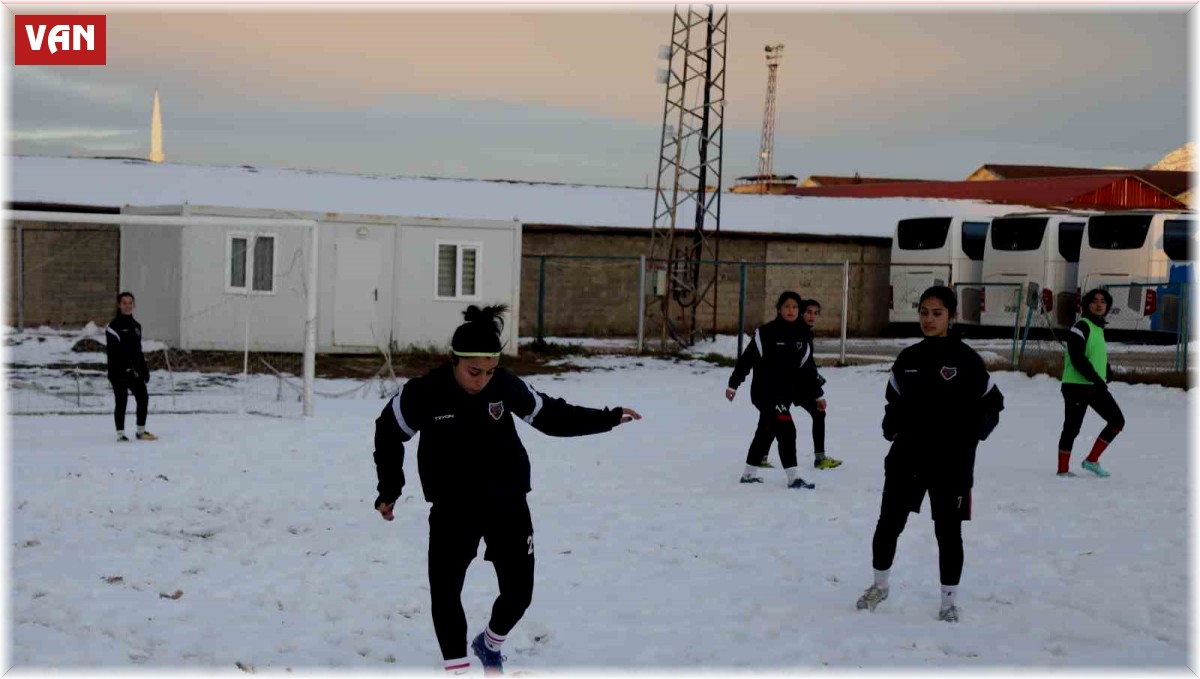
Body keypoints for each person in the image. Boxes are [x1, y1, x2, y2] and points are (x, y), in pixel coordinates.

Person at [371, 304, 642, 675]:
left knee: (519, 594)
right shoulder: (424, 393)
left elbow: (550, 415)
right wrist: (390, 488)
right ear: (454, 360)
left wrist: (607, 418)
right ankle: (458, 669)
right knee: (446, 592)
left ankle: (489, 643)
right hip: (453, 508)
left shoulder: (504, 385)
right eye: (473, 372)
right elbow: (388, 432)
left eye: (490, 371)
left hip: (507, 502)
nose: (482, 379)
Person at [855, 286, 1004, 623]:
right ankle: (880, 585)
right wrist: (890, 426)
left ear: (951, 316)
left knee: (948, 533)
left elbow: (993, 403)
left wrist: (974, 433)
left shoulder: (967, 360)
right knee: (888, 524)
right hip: (906, 459)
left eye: (937, 313)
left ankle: (948, 601)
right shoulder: (908, 358)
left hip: (952, 465)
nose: (928, 319)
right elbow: (893, 401)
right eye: (923, 312)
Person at [725, 290, 819, 489]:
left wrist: (818, 393)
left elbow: (808, 368)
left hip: (784, 394)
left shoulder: (803, 335)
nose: (791, 310)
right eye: (787, 306)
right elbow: (747, 359)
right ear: (779, 309)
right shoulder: (766, 333)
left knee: (766, 431)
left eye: (795, 307)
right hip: (764, 392)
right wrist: (734, 383)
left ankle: (748, 474)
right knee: (787, 429)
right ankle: (794, 477)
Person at [1057, 288, 1123, 478]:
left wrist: (1106, 369)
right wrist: (1096, 379)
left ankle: (1091, 461)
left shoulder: (1097, 327)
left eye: (1103, 301)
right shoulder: (1081, 326)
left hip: (1092, 384)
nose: (1099, 304)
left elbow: (1093, 354)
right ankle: (1063, 470)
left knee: (1116, 422)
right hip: (1077, 386)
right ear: (1086, 305)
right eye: (1094, 300)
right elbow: (1077, 358)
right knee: (1072, 427)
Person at [796, 299, 841, 470]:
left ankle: (760, 457)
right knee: (774, 418)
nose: (812, 316)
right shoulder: (800, 332)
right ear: (802, 312)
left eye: (816, 313)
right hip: (792, 385)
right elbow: (805, 366)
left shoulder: (805, 331)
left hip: (796, 384)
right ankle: (820, 458)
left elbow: (807, 362)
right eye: (808, 312)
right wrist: (818, 392)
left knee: (774, 418)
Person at [105, 291, 155, 442]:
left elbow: (137, 350)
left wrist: (144, 369)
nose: (127, 306)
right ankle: (121, 434)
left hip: (134, 371)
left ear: (134, 305)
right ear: (119, 305)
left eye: (130, 303)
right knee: (121, 401)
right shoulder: (113, 327)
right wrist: (126, 366)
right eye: (124, 303)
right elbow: (115, 352)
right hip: (118, 372)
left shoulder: (137, 326)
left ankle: (141, 431)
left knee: (143, 397)